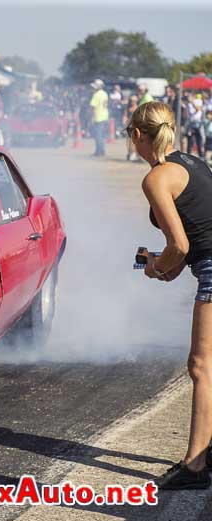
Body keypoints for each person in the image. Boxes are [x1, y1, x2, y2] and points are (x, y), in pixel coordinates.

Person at [127, 102, 212, 490]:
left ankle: (195, 467)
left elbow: (178, 244)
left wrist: (157, 267)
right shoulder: (193, 162)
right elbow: (195, 238)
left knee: (201, 366)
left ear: (137, 136)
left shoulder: (156, 179)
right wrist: (168, 263)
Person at [88, 79, 109, 157]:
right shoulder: (105, 93)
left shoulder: (96, 95)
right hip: (105, 116)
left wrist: (91, 117)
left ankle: (99, 152)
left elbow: (93, 107)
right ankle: (101, 151)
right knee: (101, 135)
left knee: (98, 136)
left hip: (98, 117)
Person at [186, 95, 206, 160]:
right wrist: (193, 104)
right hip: (191, 125)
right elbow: (195, 110)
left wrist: (194, 103)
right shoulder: (189, 105)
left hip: (199, 124)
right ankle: (188, 156)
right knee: (190, 142)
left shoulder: (197, 102)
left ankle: (201, 157)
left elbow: (199, 109)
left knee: (199, 142)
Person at [123, 94, 140, 161]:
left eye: (133, 101)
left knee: (135, 141)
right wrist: (125, 123)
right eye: (131, 101)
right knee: (129, 141)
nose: (132, 102)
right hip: (129, 126)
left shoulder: (138, 108)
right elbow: (125, 116)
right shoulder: (127, 108)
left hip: (136, 127)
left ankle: (135, 154)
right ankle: (130, 153)